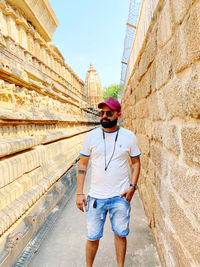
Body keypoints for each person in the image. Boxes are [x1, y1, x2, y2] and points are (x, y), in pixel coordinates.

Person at [76, 97, 141, 267]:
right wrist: (79, 192)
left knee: (120, 234)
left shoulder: (129, 137)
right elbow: (82, 165)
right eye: (102, 113)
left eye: (108, 113)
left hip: (120, 196)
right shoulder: (91, 137)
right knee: (92, 236)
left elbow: (136, 162)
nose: (104, 116)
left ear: (118, 115)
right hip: (96, 198)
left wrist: (132, 187)